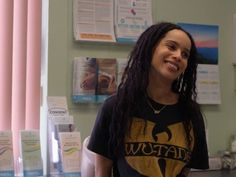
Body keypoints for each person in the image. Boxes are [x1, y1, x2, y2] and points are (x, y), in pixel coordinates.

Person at [88, 22, 209, 177]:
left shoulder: (190, 113)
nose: (178, 56)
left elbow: (184, 172)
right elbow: (102, 172)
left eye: (185, 54)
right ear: (150, 47)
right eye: (171, 47)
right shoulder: (115, 107)